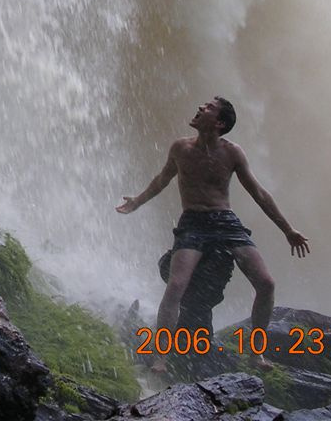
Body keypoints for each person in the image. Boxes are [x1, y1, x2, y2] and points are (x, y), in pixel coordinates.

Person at [116, 97, 310, 372]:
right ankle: (161, 356)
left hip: (226, 222)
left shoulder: (232, 153)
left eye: (207, 108)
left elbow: (258, 193)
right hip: (193, 223)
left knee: (266, 283)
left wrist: (288, 230)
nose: (199, 108)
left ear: (219, 123)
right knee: (176, 286)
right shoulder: (180, 148)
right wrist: (137, 201)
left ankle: (256, 354)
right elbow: (162, 179)